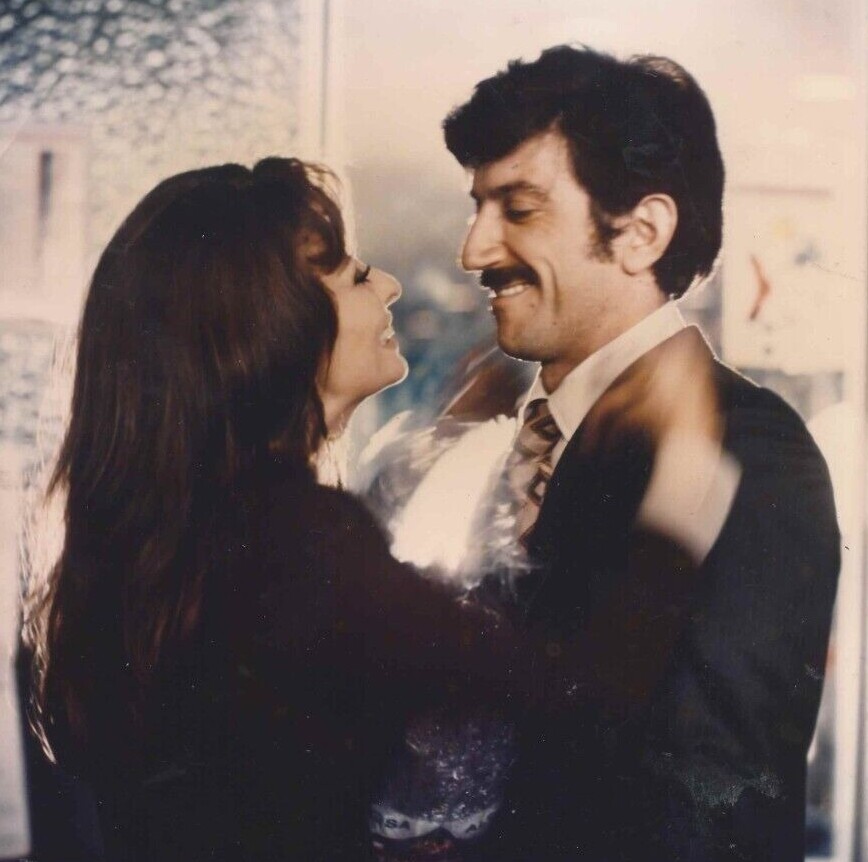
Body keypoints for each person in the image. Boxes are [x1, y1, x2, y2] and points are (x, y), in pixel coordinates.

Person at [24, 157, 713, 862]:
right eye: (354, 277)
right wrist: (687, 478)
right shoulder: (300, 540)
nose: (387, 284)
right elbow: (576, 693)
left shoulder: (173, 540)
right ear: (273, 331)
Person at [443, 45, 840, 861]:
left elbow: (702, 808)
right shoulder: (528, 433)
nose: (473, 250)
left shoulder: (748, 448)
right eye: (478, 207)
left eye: (518, 209)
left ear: (642, 233)